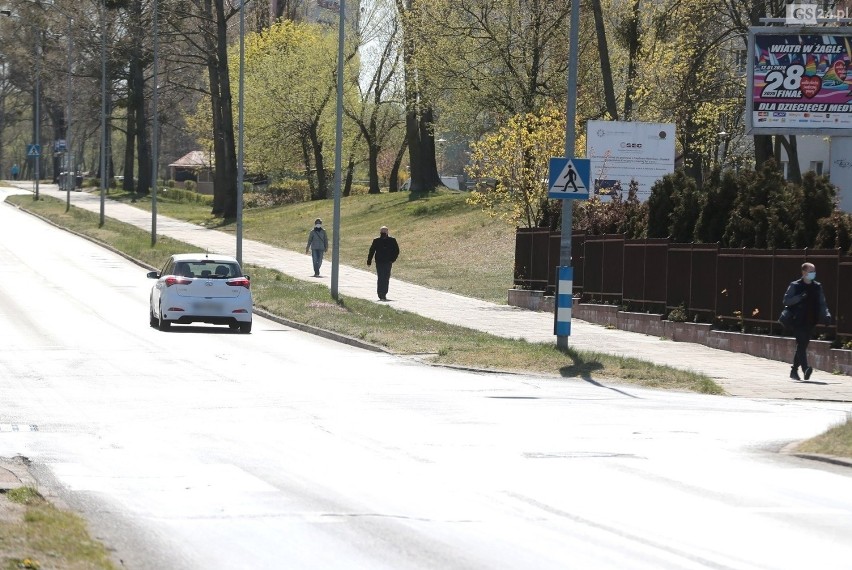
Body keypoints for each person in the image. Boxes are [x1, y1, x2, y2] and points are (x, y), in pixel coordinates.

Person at [783, 262, 831, 381]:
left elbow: (822, 302)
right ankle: (805, 369)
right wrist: (799, 297)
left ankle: (794, 370)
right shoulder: (795, 285)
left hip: (810, 320)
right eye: (810, 272)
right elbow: (786, 301)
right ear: (804, 273)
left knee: (802, 345)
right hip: (797, 319)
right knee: (801, 343)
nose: (813, 274)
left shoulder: (817, 286)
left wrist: (826, 314)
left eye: (814, 272)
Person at [367, 225, 399, 301]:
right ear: (380, 232)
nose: (383, 232)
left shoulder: (392, 240)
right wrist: (369, 261)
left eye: (385, 231)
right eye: (382, 231)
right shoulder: (376, 240)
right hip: (379, 262)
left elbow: (396, 251)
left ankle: (384, 293)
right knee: (380, 277)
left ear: (387, 232)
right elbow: (372, 251)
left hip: (388, 262)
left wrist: (392, 259)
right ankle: (380, 293)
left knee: (386, 277)